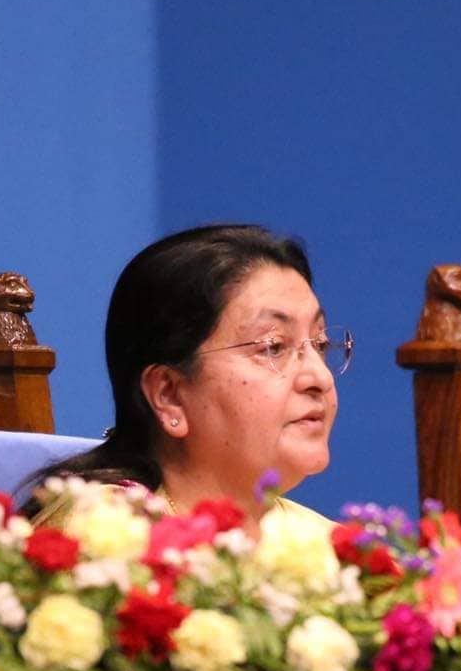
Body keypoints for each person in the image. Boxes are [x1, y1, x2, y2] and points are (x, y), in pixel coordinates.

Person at [22, 223, 348, 530]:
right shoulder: (107, 535)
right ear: (169, 395)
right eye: (273, 346)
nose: (320, 377)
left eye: (320, 344)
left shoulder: (330, 546)